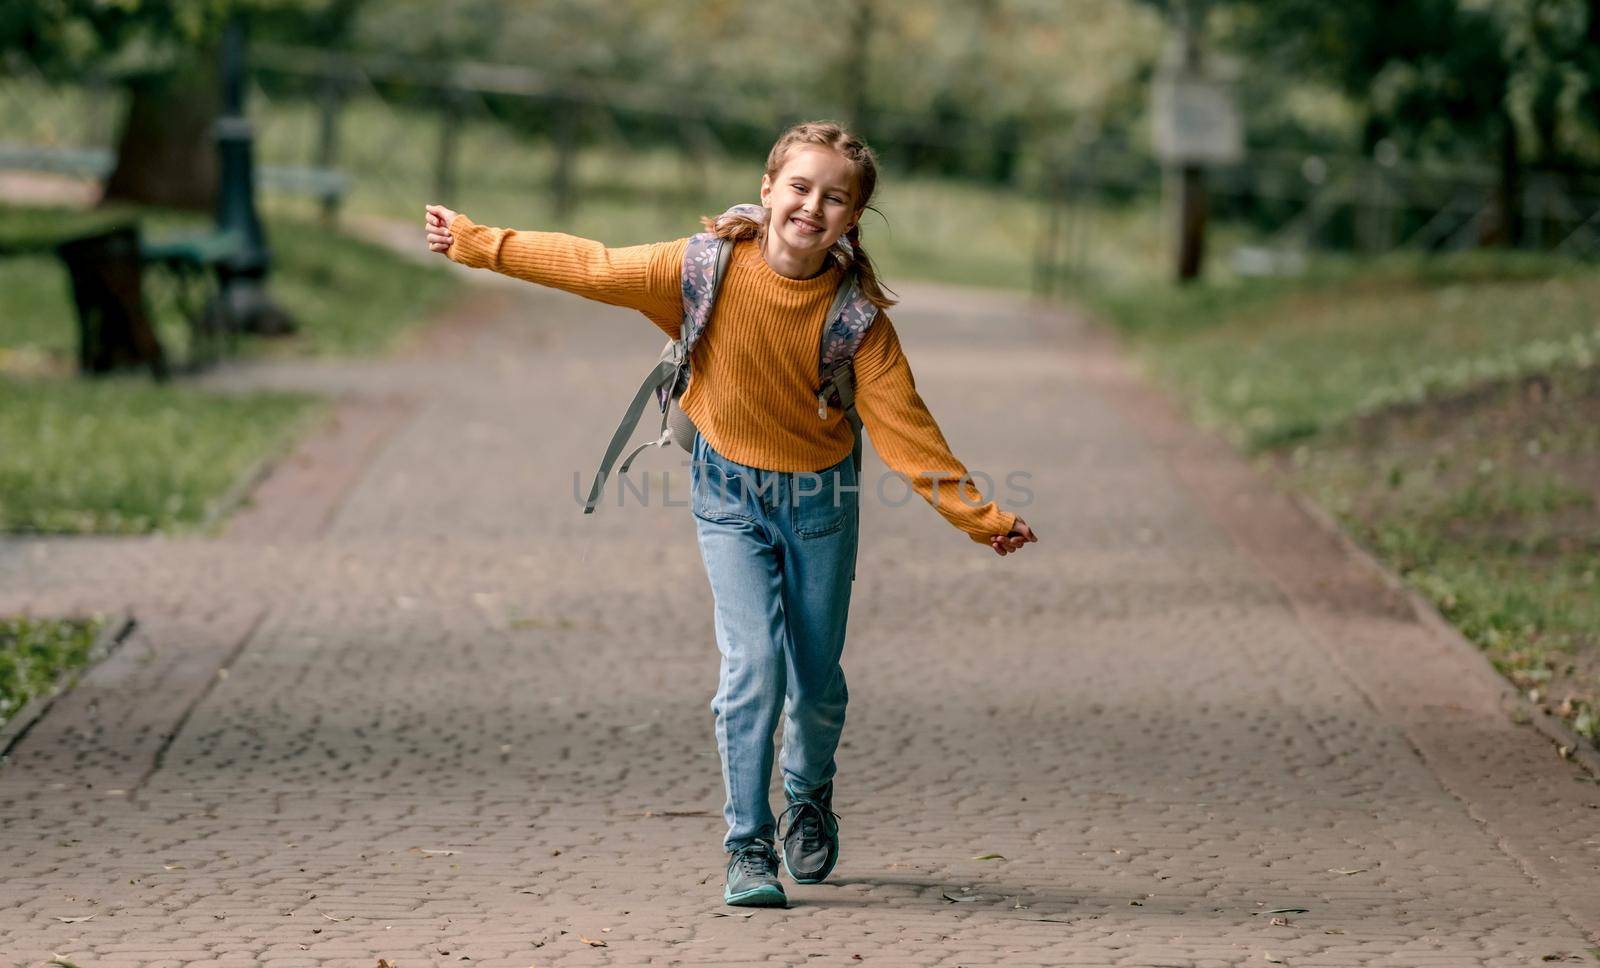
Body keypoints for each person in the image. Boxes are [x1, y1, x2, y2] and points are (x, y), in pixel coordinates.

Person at [424, 120, 1038, 908]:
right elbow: (593, 266)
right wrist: (478, 242)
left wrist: (982, 518)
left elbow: (909, 435)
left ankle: (807, 794)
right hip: (727, 495)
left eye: (835, 198)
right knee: (753, 668)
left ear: (852, 219)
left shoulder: (856, 324)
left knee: (815, 684)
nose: (812, 207)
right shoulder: (701, 269)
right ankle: (748, 847)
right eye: (800, 188)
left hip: (819, 504)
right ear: (768, 191)